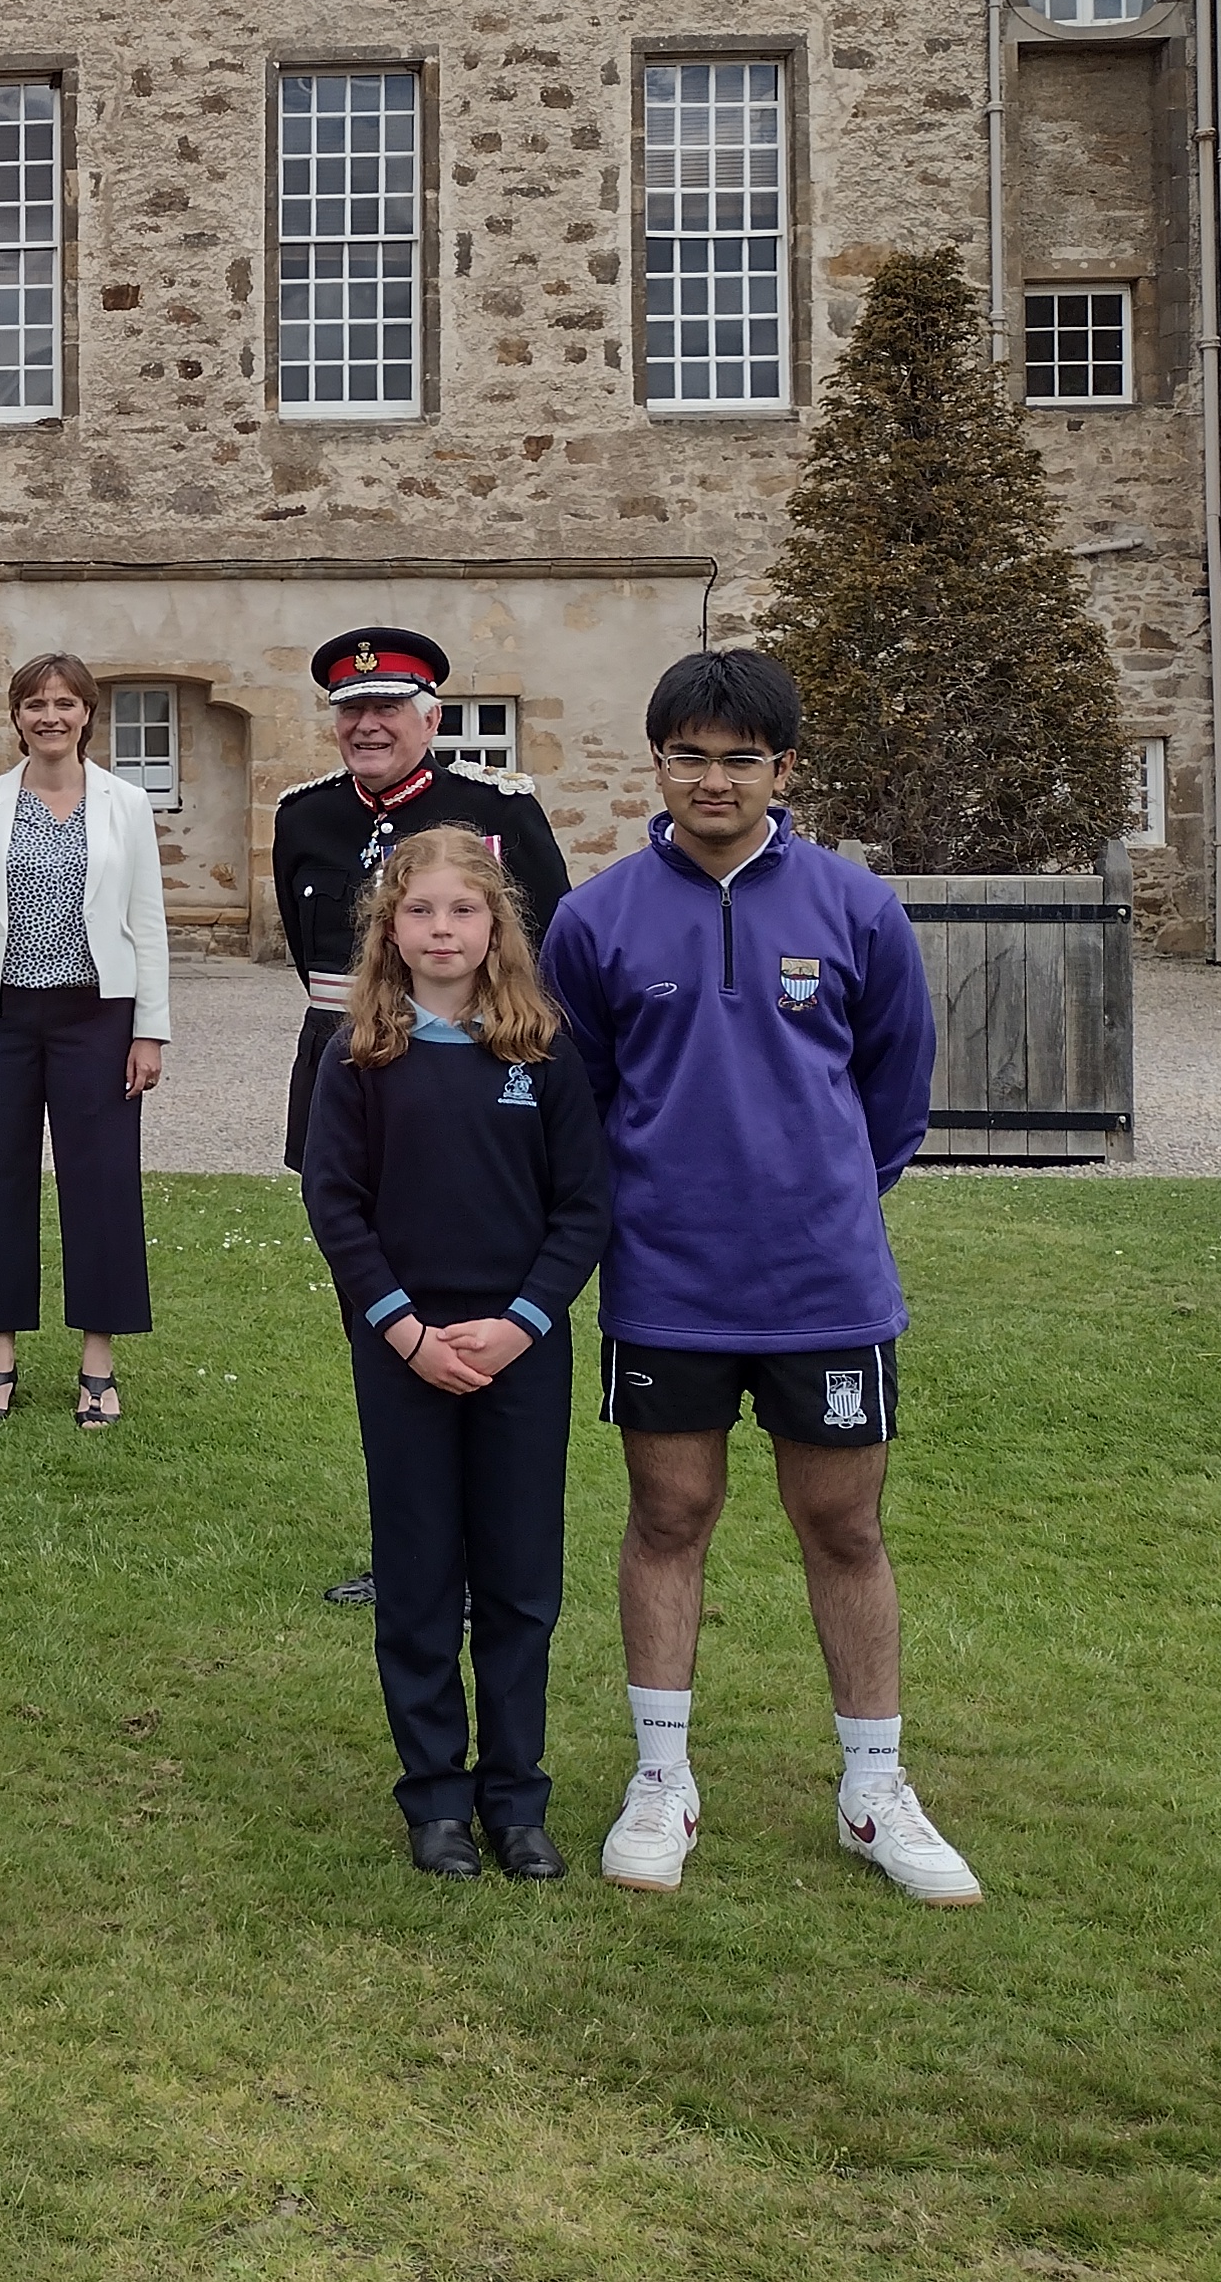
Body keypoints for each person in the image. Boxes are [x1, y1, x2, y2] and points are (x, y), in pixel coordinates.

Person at [536, 648, 976, 1907]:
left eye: (739, 759)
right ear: (656, 763)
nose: (711, 780)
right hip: (666, 1282)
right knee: (669, 1517)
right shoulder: (597, 918)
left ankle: (873, 1789)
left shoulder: (855, 909)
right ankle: (661, 1782)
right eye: (687, 757)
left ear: (783, 769)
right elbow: (584, 1103)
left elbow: (891, 1099)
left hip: (825, 1285)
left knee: (842, 1524)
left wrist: (820, 1194)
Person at [302, 828, 612, 1882]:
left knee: (521, 1578)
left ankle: (515, 1798)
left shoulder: (543, 1049)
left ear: (496, 928)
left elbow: (583, 1208)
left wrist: (522, 1322)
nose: (442, 930)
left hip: (520, 1349)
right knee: (421, 1574)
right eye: (421, 911)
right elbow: (334, 1204)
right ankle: (434, 1797)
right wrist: (403, 1329)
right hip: (404, 1350)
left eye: (462, 912)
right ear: (388, 928)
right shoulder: (359, 1056)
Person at [0, 652, 170, 1431]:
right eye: (35, 704)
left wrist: (149, 1030)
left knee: (100, 1182)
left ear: (88, 713)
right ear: (17, 716)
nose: (50, 717)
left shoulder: (126, 805)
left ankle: (97, 1362)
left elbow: (147, 923)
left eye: (65, 703)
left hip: (97, 1015)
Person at [270, 630, 571, 1175]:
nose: (367, 726)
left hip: (468, 1054)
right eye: (351, 709)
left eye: (387, 707)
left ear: (431, 721)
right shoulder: (303, 818)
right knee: (344, 1219)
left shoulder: (497, 810)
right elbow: (305, 948)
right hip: (344, 1051)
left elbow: (551, 946)